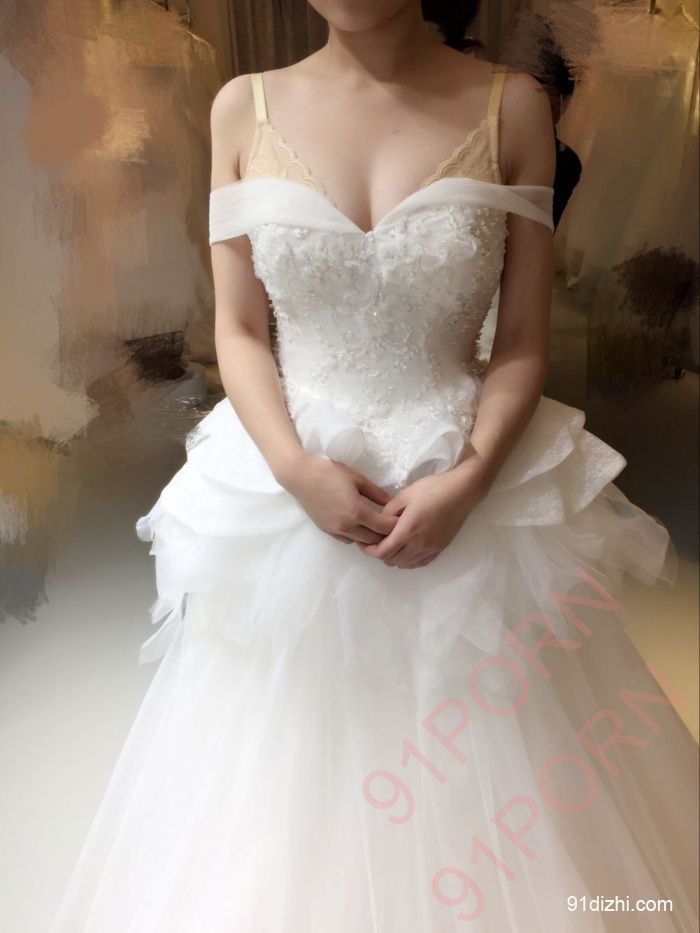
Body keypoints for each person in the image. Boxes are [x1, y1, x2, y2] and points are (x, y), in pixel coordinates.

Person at [48, 2, 699, 930]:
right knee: (279, 771)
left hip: (462, 476)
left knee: (499, 768)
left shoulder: (511, 107)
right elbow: (240, 329)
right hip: (293, 485)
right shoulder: (242, 108)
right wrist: (292, 467)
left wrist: (470, 477)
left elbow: (521, 339)